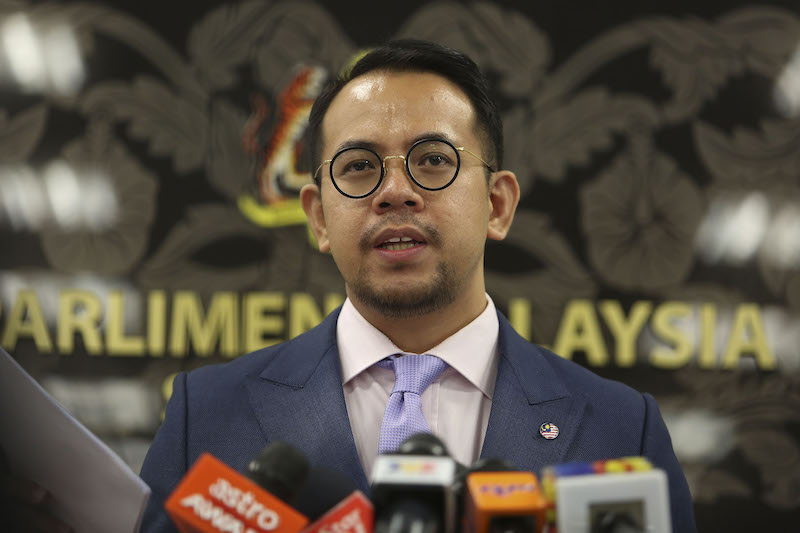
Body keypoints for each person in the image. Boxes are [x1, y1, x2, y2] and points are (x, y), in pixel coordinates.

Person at [139, 40, 696, 532]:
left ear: (497, 205)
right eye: (358, 166)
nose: (395, 192)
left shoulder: (623, 428)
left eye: (432, 160)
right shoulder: (206, 416)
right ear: (318, 219)